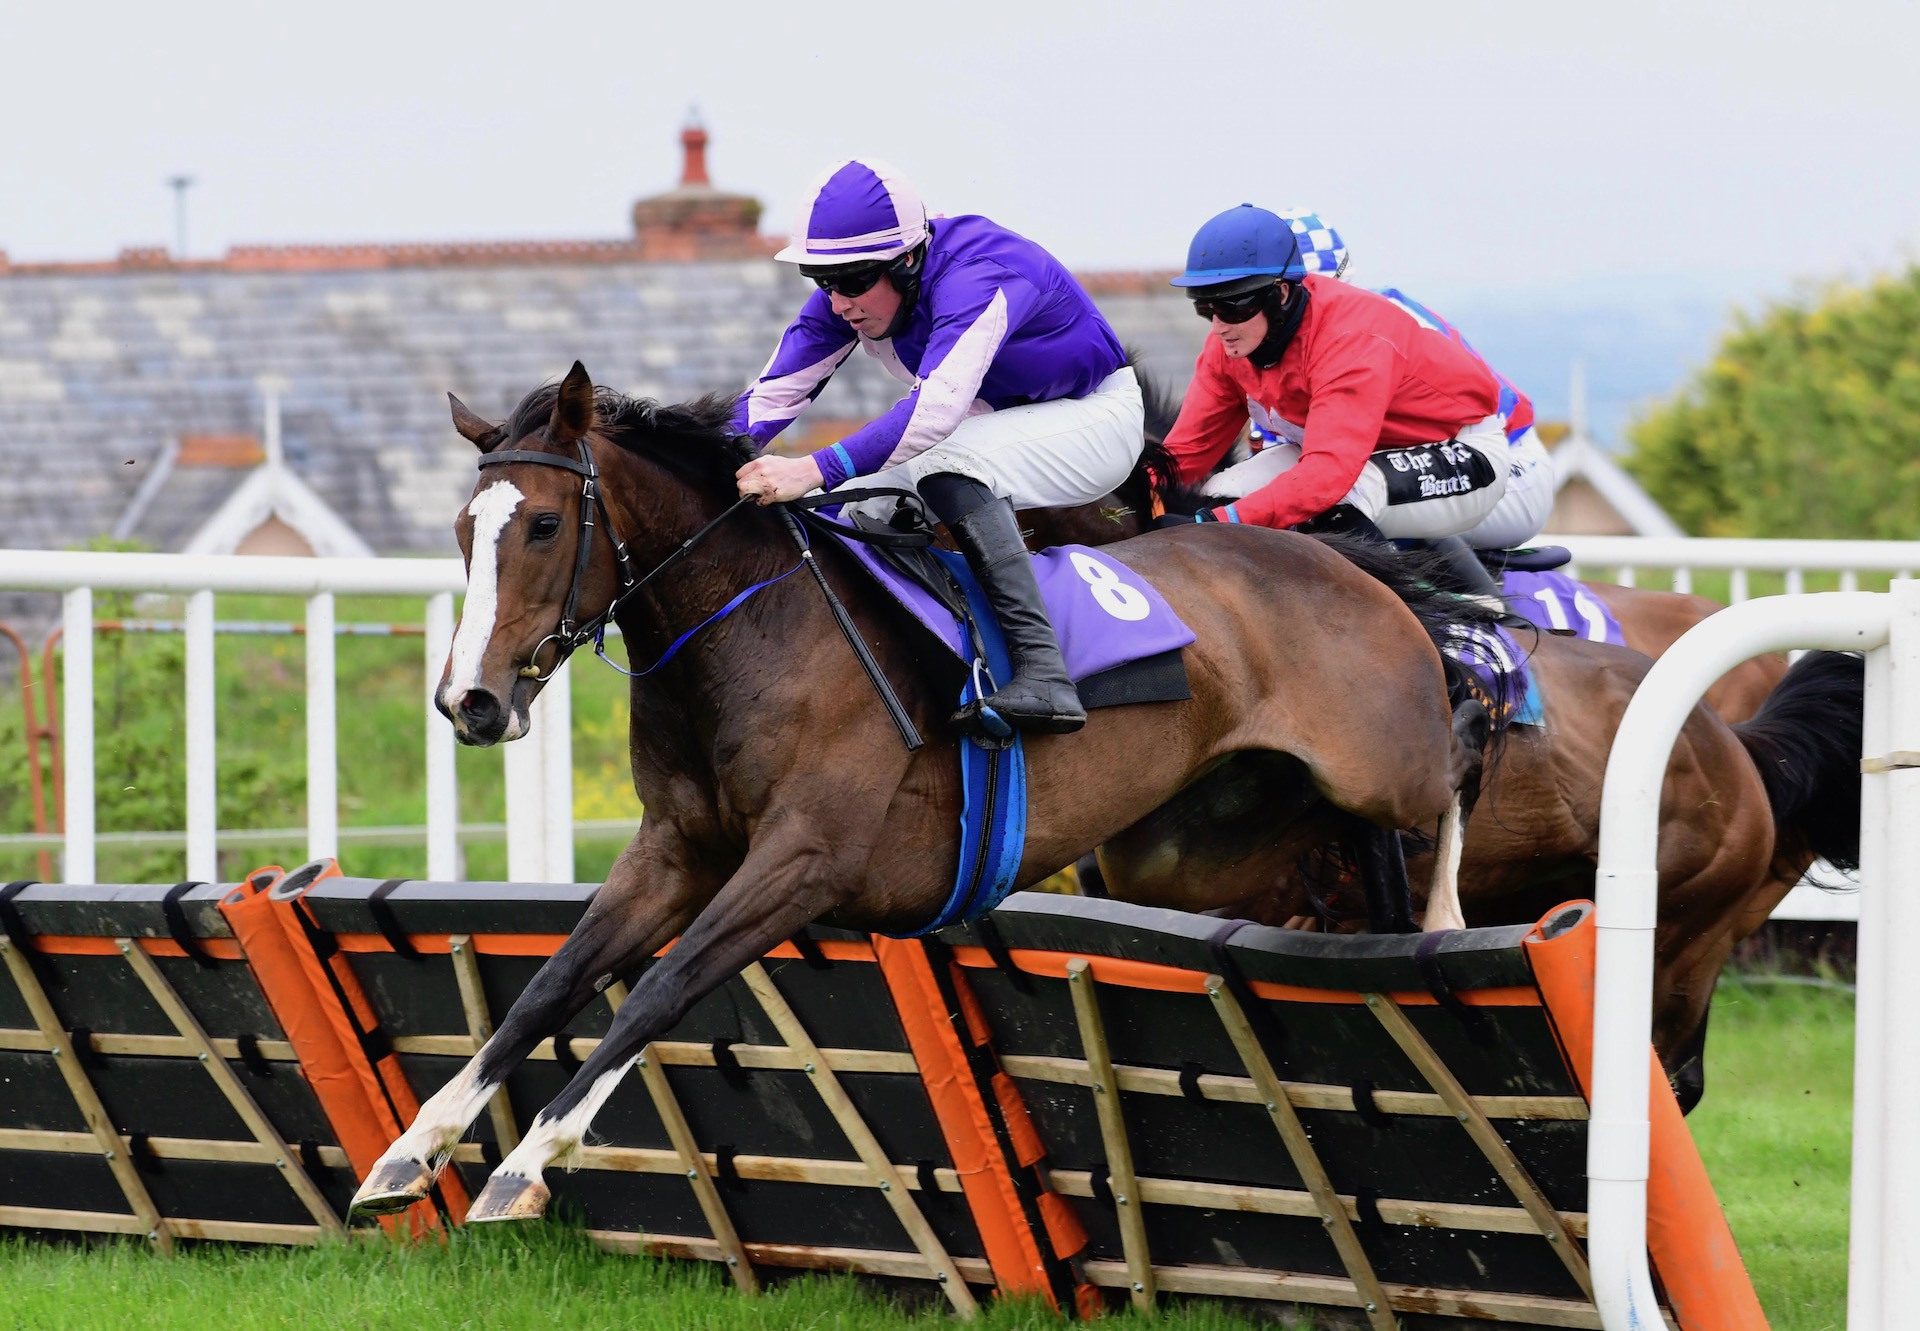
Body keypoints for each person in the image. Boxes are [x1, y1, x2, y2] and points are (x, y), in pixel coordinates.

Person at [730, 159, 1142, 734]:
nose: (837, 301)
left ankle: (1045, 675)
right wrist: (686, 459)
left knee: (937, 465)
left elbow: (933, 415)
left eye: (853, 282)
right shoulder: (845, 298)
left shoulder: (979, 273)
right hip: (996, 427)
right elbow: (770, 400)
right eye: (821, 281)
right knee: (853, 505)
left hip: (1095, 418)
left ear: (906, 261)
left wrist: (811, 467)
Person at [1153, 205, 1521, 595]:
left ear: (1280, 294)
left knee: (1330, 501)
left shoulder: (1351, 338)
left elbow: (1326, 477)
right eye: (1205, 308)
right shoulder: (1230, 344)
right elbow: (1186, 454)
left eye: (1230, 307)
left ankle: (1432, 628)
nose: (1219, 326)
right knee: (1220, 493)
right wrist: (1129, 493)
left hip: (1459, 450)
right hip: (1355, 457)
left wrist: (1215, 525)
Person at [1259, 209, 1555, 555]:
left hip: (1507, 467)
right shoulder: (1258, 351)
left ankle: (1484, 607)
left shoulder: (1379, 324)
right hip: (1411, 466)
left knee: (1343, 501)